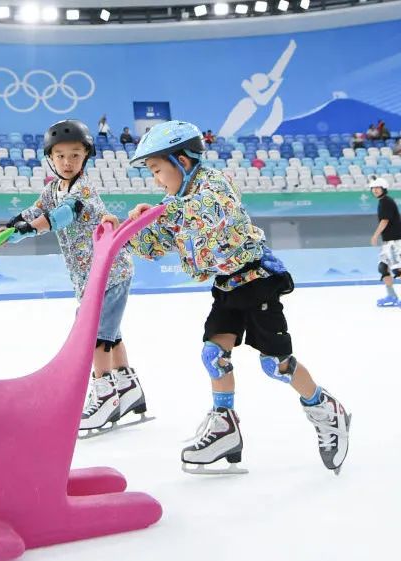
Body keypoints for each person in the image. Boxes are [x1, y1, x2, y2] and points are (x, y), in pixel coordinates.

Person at [124, 120, 351, 475]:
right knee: (214, 355)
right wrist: (128, 231)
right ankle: (225, 427)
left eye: (156, 170)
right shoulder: (174, 202)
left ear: (181, 161)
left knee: (276, 363)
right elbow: (156, 244)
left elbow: (211, 213)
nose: (155, 180)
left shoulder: (213, 184)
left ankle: (326, 409)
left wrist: (162, 212)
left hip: (258, 280)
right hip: (227, 285)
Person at [0, 119, 150, 437]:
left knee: (95, 335)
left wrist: (26, 231)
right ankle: (128, 388)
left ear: (86, 156)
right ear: (50, 158)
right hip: (91, 276)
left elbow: (61, 216)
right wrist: (5, 231)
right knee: (110, 334)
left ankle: (105, 396)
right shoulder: (52, 190)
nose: (67, 162)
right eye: (60, 156)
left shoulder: (83, 190)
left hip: (110, 271)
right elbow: (33, 213)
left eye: (75, 155)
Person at [369, 177, 401, 308]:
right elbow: (396, 221)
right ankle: (391, 295)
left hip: (394, 242)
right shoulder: (383, 202)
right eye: (373, 188)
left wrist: (375, 236)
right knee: (383, 268)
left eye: (377, 188)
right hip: (388, 242)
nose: (375, 190)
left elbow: (385, 221)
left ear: (384, 189)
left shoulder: (386, 202)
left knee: (398, 269)